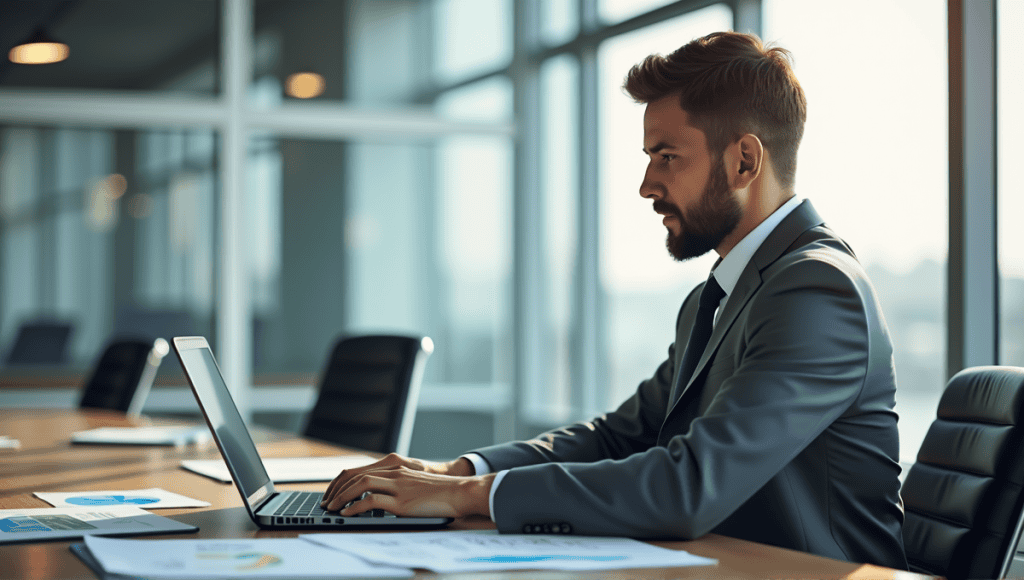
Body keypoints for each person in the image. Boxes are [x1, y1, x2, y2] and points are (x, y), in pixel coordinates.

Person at [321, 30, 907, 570]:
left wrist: (471, 496)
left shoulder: (817, 292)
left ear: (744, 161)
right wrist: (459, 470)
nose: (648, 184)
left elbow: (688, 487)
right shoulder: (721, 295)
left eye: (667, 156)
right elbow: (618, 436)